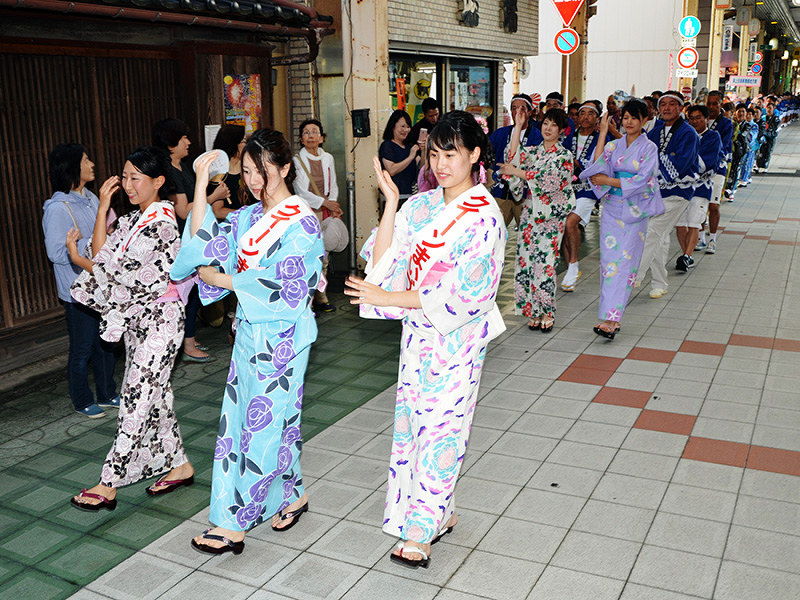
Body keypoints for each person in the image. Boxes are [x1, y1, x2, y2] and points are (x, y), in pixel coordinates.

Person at [344, 111, 505, 569]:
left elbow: (468, 293)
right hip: (417, 336)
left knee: (442, 430)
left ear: (474, 155)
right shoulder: (421, 204)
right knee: (413, 427)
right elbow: (383, 260)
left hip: (457, 340)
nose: (440, 163)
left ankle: (420, 530)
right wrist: (393, 202)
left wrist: (388, 295)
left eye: (450, 154)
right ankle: (442, 510)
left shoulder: (485, 217)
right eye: (434, 153)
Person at [171, 128, 324, 556]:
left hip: (285, 335)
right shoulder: (246, 218)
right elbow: (202, 242)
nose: (256, 180)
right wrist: (200, 186)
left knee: (261, 423)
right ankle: (293, 494)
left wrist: (226, 279)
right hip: (249, 333)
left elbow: (292, 283)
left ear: (285, 168)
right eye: (250, 171)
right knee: (259, 420)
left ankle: (235, 523)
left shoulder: (302, 221)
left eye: (265, 170)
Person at [68, 146, 194, 510]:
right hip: (137, 321)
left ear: (158, 182)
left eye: (135, 178)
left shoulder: (163, 227)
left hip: (162, 322)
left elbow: (116, 272)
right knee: (158, 397)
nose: (127, 184)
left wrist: (83, 262)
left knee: (137, 399)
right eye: (123, 177)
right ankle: (180, 465)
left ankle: (109, 482)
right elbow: (101, 254)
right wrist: (103, 207)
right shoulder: (129, 221)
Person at [42, 144, 118, 419]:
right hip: (77, 290)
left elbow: (106, 231)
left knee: (106, 343)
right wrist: (93, 245)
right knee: (83, 347)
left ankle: (108, 393)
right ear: (73, 167)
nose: (92, 164)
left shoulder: (90, 198)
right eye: (86, 160)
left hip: (101, 285)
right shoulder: (58, 208)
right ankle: (82, 399)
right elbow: (55, 252)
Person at [580, 99, 663, 339]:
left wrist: (609, 182)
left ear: (644, 120)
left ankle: (611, 319)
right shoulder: (613, 145)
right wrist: (603, 132)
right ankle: (609, 318)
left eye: (634, 118)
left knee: (624, 265)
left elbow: (644, 180)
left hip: (634, 211)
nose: (628, 122)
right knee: (609, 265)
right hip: (612, 208)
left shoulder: (649, 148)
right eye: (625, 117)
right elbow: (598, 166)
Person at [153, 118, 227, 362]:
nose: (189, 142)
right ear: (170, 144)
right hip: (179, 239)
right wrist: (213, 195)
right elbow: (183, 210)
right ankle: (187, 343)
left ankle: (189, 340)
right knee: (184, 293)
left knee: (192, 292)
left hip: (191, 235)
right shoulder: (167, 171)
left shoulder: (183, 166)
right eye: (183, 138)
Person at [500, 108, 575, 332]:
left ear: (561, 131)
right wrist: (517, 127)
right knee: (526, 262)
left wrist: (517, 172)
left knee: (545, 264)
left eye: (553, 125)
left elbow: (550, 181)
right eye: (545, 123)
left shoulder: (563, 156)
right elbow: (514, 156)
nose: (547, 128)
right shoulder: (534, 151)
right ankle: (533, 311)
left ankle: (546, 311)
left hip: (550, 217)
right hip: (530, 213)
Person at [638, 91, 699, 299]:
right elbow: (643, 156)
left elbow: (680, 164)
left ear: (681, 108)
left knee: (652, 231)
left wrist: (656, 162)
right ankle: (659, 282)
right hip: (656, 191)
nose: (666, 108)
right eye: (662, 104)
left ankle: (634, 276)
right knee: (660, 238)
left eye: (672, 104)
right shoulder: (654, 132)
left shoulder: (688, 132)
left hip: (678, 192)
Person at [293, 118, 343, 313]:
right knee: (309, 253)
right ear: (301, 139)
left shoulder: (328, 157)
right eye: (306, 132)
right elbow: (300, 190)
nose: (311, 135)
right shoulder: (297, 161)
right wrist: (324, 202)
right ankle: (308, 299)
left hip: (325, 210)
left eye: (315, 132)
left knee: (325, 253)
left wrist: (332, 204)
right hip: (307, 212)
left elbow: (334, 184)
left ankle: (321, 295)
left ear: (322, 138)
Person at [675, 105, 722, 272]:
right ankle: (686, 255)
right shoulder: (684, 135)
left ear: (706, 119)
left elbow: (710, 162)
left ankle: (686, 256)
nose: (694, 121)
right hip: (682, 186)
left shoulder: (713, 137)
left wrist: (686, 164)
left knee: (694, 223)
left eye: (698, 117)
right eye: (691, 118)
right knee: (680, 224)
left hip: (702, 186)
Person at [561, 100, 601, 291]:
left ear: (597, 118)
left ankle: (574, 264)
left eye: (590, 113)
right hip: (568, 187)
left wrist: (578, 163)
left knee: (570, 223)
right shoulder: (570, 137)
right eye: (582, 113)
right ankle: (571, 266)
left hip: (588, 188)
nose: (585, 117)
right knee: (562, 228)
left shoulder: (603, 137)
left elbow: (601, 162)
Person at [488, 93, 543, 227]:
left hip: (526, 192)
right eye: (514, 108)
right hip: (501, 190)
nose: (517, 112)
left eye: (522, 109)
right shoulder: (501, 133)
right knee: (495, 230)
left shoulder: (537, 135)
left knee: (527, 235)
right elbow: (487, 153)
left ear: (530, 112)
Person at [699, 90, 733, 254]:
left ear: (721, 104)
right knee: (699, 204)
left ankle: (712, 238)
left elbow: (722, 146)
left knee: (713, 205)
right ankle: (700, 238)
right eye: (709, 103)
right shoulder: (700, 120)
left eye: (715, 103)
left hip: (717, 168)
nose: (711, 107)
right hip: (698, 169)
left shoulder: (726, 123)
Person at [210, 125, 248, 221]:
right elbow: (218, 211)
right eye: (244, 141)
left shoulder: (249, 169)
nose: (247, 145)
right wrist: (247, 215)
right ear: (232, 143)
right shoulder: (218, 174)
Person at [379, 110, 419, 199]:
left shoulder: (409, 147)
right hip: (393, 197)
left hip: (411, 196)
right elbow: (391, 170)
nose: (405, 130)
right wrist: (410, 157)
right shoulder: (387, 145)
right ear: (393, 127)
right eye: (402, 126)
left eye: (408, 127)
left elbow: (421, 167)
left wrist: (424, 150)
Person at [738, 107, 760, 187]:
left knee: (748, 163)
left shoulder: (754, 125)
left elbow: (752, 136)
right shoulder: (743, 124)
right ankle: (745, 177)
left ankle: (744, 179)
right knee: (743, 162)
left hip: (750, 147)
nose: (748, 116)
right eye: (747, 114)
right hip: (744, 146)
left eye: (750, 115)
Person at [755, 100, 780, 172]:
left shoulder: (776, 118)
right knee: (761, 151)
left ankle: (765, 166)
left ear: (773, 108)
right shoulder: (763, 117)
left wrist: (767, 132)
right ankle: (758, 165)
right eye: (767, 108)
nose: (768, 110)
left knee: (768, 151)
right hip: (763, 136)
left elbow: (774, 128)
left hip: (771, 137)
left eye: (770, 108)